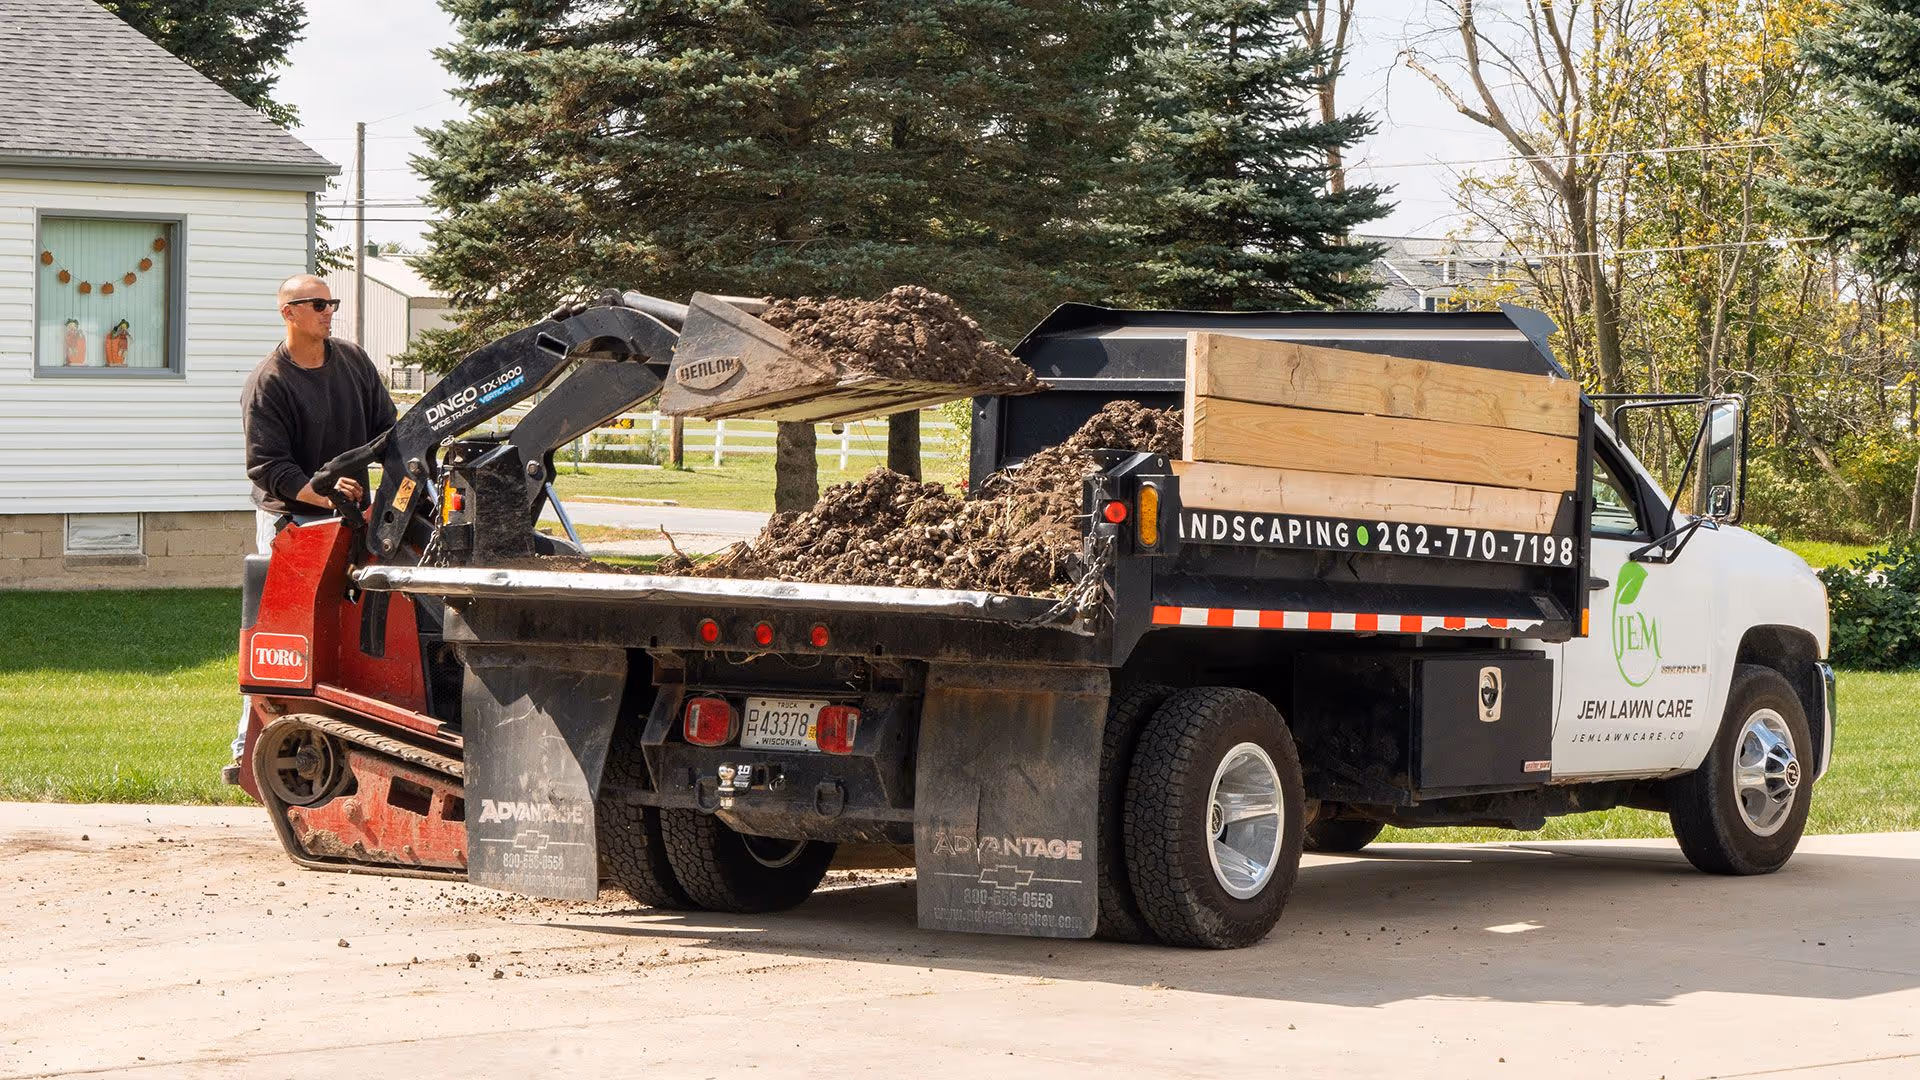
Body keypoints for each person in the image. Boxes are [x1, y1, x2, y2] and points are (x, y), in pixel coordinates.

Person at [226, 274, 397, 781]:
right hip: (292, 520)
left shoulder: (352, 362)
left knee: (346, 630)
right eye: (319, 304)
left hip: (350, 515)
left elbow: (387, 430)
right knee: (281, 638)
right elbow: (270, 469)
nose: (329, 311)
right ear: (289, 312)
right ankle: (247, 751)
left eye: (331, 303)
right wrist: (322, 496)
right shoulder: (269, 383)